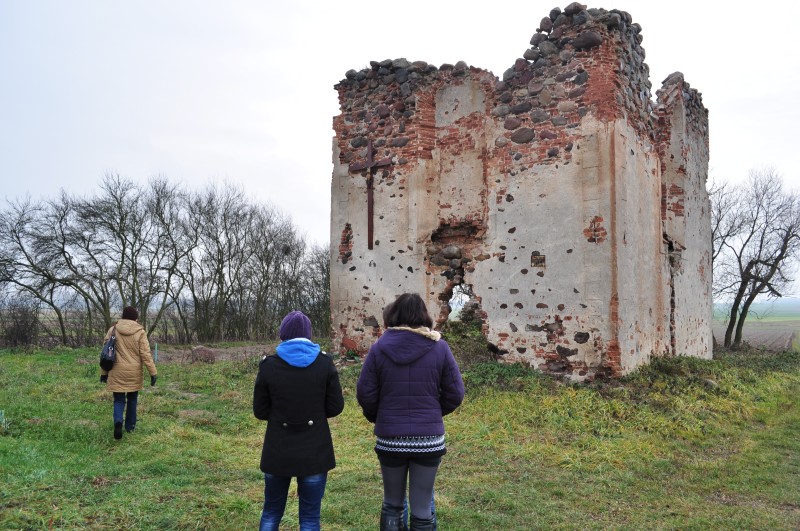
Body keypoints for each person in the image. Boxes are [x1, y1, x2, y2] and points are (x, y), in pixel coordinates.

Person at [357, 293, 465, 531]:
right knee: (422, 508)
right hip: (428, 440)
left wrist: (381, 416)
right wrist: (433, 413)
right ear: (423, 316)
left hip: (390, 438)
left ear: (394, 315)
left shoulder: (379, 348)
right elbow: (455, 394)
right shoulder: (440, 348)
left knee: (392, 505)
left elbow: (365, 393)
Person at [253, 310, 345, 531]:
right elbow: (335, 407)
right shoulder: (325, 364)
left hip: (278, 450)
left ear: (283, 334)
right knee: (310, 518)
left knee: (271, 513)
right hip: (315, 451)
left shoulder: (268, 365)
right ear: (309, 335)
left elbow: (260, 411)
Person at [100, 306, 157, 440]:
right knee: (132, 399)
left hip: (116, 371)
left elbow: (106, 353)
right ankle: (130, 427)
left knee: (119, 400)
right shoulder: (140, 332)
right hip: (134, 372)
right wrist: (153, 372)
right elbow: (145, 354)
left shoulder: (113, 329)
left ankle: (118, 421)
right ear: (135, 318)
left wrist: (104, 373)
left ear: (123, 316)